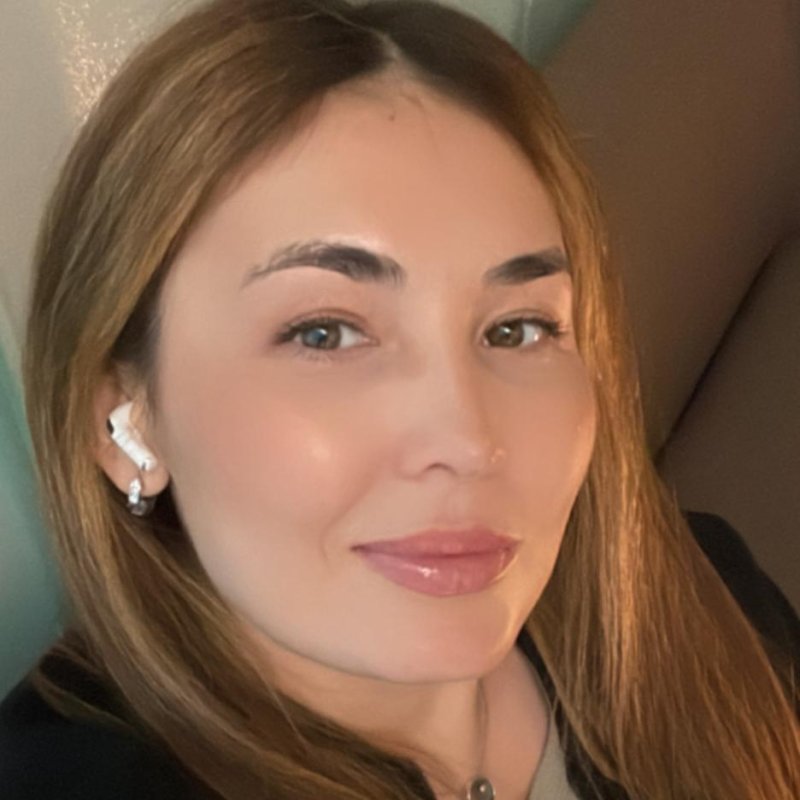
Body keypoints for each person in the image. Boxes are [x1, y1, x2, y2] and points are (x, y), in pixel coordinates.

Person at [1, 0, 798, 798]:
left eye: (517, 329)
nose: (469, 438)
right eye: (324, 334)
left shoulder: (706, 607)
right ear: (123, 422)